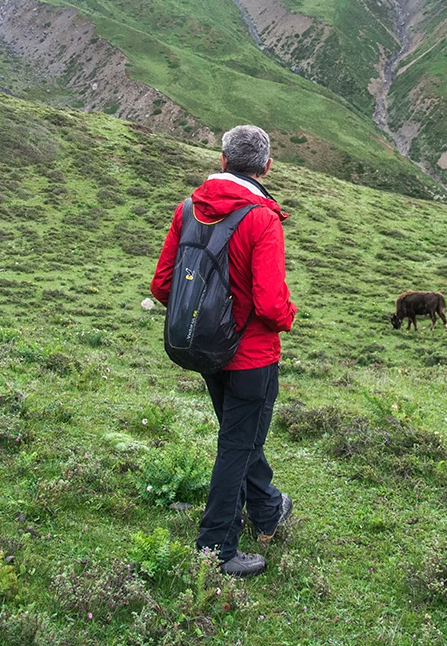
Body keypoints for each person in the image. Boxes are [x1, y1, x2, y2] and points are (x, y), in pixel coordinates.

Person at [150, 125, 297, 577]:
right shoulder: (261, 218)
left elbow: (162, 286)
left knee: (241, 438)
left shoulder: (188, 208)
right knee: (238, 444)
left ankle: (269, 509)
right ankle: (216, 546)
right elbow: (272, 305)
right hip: (253, 357)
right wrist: (290, 316)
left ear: (222, 160)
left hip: (209, 351)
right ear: (267, 166)